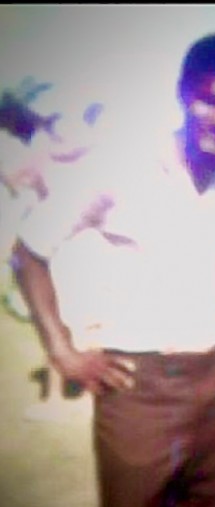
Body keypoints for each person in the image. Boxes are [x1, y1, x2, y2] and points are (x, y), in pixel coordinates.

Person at [12, 32, 215, 507]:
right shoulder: (124, 160)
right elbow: (29, 251)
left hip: (214, 383)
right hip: (137, 389)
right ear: (183, 94)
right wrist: (62, 352)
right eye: (209, 101)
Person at [1, 82, 105, 421]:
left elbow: (19, 179)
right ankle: (59, 396)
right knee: (63, 319)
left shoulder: (71, 150)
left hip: (76, 243)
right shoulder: (61, 150)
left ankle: (72, 394)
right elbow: (19, 180)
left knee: (82, 319)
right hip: (55, 243)